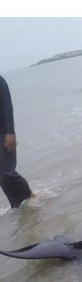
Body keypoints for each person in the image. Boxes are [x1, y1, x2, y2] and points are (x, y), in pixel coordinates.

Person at [0, 74, 32, 208]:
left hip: (3, 133)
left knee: (6, 173)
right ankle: (16, 206)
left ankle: (29, 197)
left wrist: (10, 132)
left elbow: (7, 106)